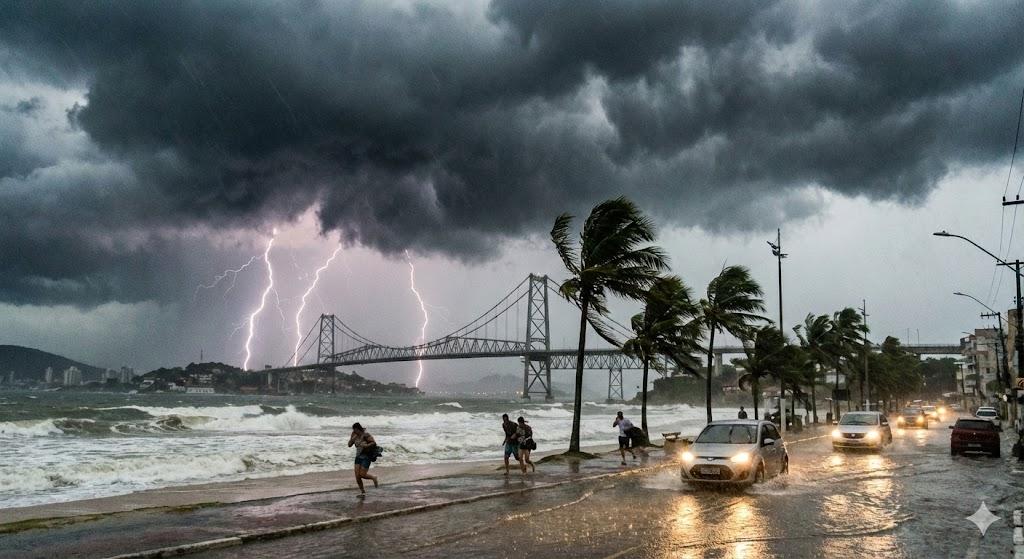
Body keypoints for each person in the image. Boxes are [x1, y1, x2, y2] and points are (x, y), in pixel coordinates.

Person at [347, 422, 379, 497]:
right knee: (357, 476)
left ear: (359, 429)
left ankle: (374, 477)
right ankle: (362, 491)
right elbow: (349, 445)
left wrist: (366, 445)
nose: (354, 432)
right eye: (353, 430)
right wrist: (353, 439)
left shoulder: (366, 435)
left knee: (362, 474)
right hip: (358, 456)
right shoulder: (354, 434)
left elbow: (374, 443)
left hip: (366, 456)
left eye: (355, 430)